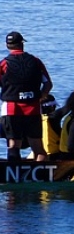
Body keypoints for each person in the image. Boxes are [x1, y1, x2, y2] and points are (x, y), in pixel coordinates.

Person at [0, 31, 53, 160]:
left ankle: (14, 176)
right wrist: (40, 97)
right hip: (33, 108)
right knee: (38, 148)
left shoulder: (4, 64)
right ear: (22, 44)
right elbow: (48, 84)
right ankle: (41, 176)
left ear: (7, 46)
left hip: (11, 109)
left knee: (13, 146)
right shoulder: (36, 61)